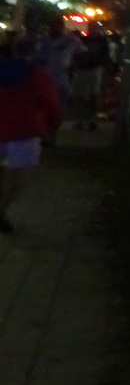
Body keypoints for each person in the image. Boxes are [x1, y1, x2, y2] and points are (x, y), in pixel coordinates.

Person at [0, 34, 62, 234]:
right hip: (23, 128)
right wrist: (52, 126)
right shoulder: (37, 74)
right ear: (34, 51)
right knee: (19, 173)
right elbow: (50, 102)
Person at [33, 20, 80, 145]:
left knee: (57, 110)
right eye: (53, 26)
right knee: (43, 109)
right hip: (44, 82)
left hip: (61, 81)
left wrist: (74, 66)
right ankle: (45, 135)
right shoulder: (42, 42)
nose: (56, 29)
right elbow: (35, 58)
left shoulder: (71, 41)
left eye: (58, 27)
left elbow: (81, 55)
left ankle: (52, 135)